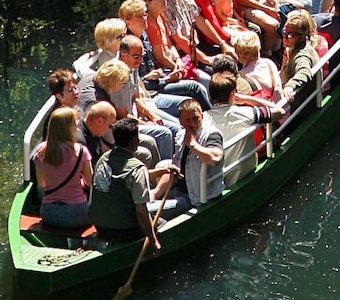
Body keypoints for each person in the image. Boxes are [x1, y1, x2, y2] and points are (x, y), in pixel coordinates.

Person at [89, 117, 161, 248]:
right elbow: (141, 211)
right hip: (124, 231)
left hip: (100, 227)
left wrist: (162, 171)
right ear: (134, 141)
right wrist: (152, 238)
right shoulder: (138, 168)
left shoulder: (103, 159)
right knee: (161, 223)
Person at [202, 72, 269, 187]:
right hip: (242, 178)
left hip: (213, 184)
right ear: (233, 94)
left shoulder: (202, 120)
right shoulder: (246, 114)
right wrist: (246, 99)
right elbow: (279, 111)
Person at [32, 107, 92, 231]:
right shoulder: (81, 151)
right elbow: (90, 182)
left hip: (49, 213)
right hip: (77, 214)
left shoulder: (40, 151)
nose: (77, 124)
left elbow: (41, 184)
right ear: (66, 128)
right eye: (74, 122)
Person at [161, 99, 225, 210]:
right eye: (188, 120)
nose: (192, 123)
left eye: (195, 118)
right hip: (179, 190)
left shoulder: (211, 135)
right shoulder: (180, 136)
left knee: (151, 210)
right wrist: (156, 194)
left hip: (195, 198)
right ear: (181, 121)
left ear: (202, 116)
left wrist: (192, 145)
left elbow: (215, 158)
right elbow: (175, 168)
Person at [279, 10, 321, 113]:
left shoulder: (302, 55)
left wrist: (290, 85)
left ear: (302, 36)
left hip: (301, 110)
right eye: (284, 32)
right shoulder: (294, 48)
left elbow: (304, 71)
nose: (285, 37)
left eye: (290, 35)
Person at [231, 31, 283, 111]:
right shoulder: (269, 63)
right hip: (285, 110)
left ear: (238, 52)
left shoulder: (242, 77)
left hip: (273, 117)